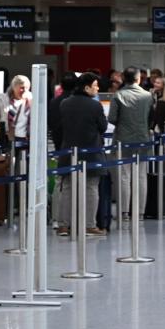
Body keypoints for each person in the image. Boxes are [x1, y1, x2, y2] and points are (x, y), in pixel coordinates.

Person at [55, 73, 108, 237]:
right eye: (95, 85)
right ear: (86, 87)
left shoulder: (64, 103)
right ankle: (89, 225)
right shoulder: (95, 106)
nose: (98, 88)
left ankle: (64, 225)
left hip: (69, 152)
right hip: (91, 153)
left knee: (68, 189)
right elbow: (103, 127)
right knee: (91, 188)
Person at [108, 67, 153, 222]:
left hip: (123, 140)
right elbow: (151, 119)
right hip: (143, 139)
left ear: (123, 79)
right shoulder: (148, 96)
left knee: (124, 177)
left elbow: (112, 118)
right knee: (141, 176)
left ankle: (124, 212)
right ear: (138, 79)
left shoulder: (118, 95)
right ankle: (140, 212)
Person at [0, 74, 32, 152]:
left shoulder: (31, 100)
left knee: (24, 162)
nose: (25, 90)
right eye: (22, 88)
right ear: (14, 87)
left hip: (26, 140)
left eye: (27, 88)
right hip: (9, 140)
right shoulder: (2, 101)